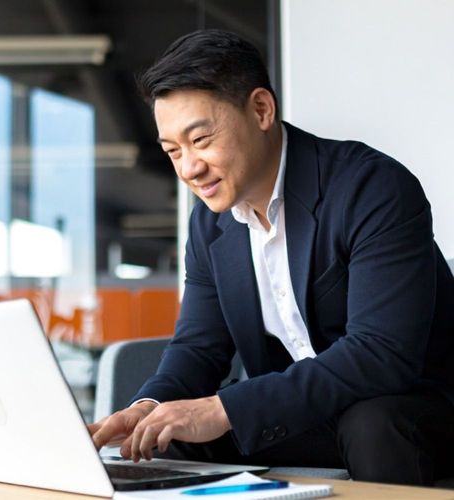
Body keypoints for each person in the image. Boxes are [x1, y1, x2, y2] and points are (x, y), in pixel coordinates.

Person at [88, 29, 454, 486]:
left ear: (261, 109)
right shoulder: (209, 224)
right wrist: (148, 409)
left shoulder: (371, 188)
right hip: (307, 413)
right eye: (173, 151)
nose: (189, 168)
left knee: (373, 424)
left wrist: (224, 409)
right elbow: (198, 347)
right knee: (169, 436)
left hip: (414, 407)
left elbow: (382, 355)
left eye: (200, 140)